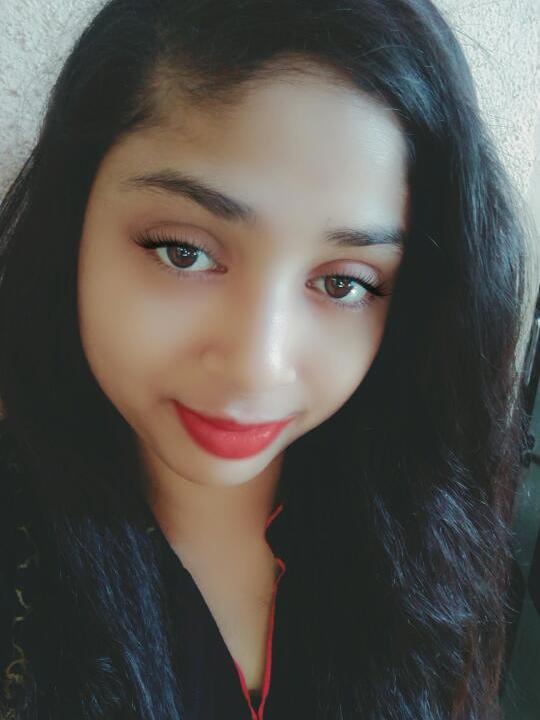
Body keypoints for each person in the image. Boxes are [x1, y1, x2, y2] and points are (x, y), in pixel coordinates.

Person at [0, 0, 532, 718]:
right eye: (183, 252)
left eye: (343, 284)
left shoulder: (422, 528)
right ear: (74, 221)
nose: (257, 365)